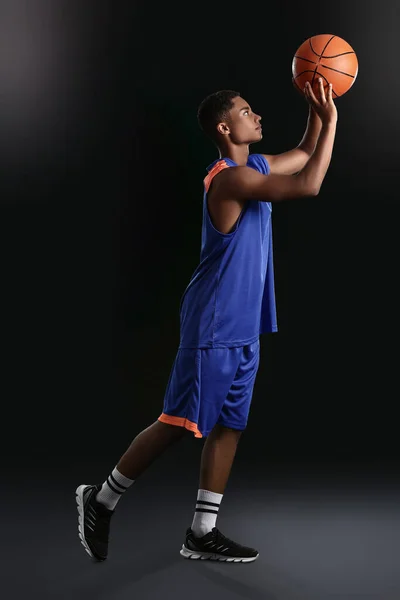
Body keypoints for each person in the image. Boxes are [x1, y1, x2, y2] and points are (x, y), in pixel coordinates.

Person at [76, 79, 337, 563]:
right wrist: (335, 122)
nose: (256, 116)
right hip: (214, 324)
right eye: (246, 111)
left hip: (244, 326)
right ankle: (101, 498)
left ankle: (201, 531)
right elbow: (310, 183)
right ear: (225, 127)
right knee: (178, 423)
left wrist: (321, 112)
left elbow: (303, 153)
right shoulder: (228, 179)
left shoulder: (255, 166)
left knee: (230, 425)